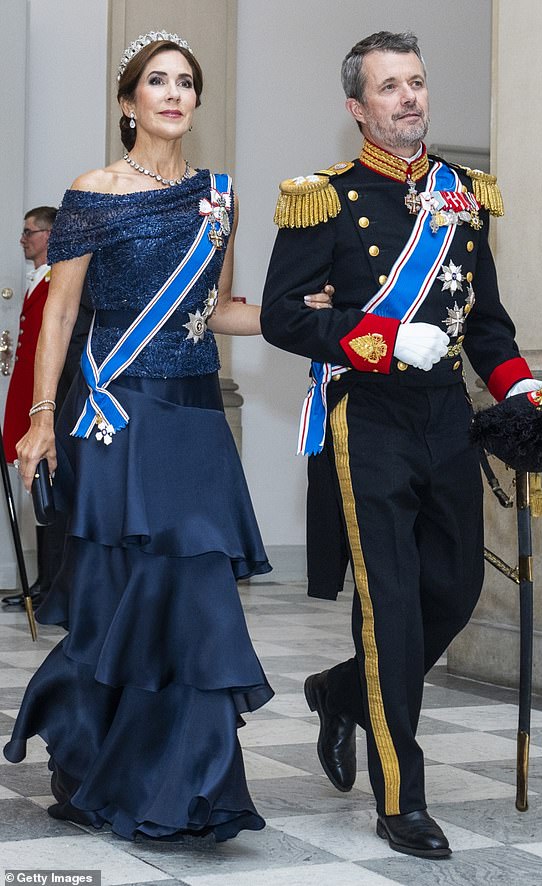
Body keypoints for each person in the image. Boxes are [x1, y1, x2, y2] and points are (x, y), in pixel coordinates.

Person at [3, 30, 331, 844]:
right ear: (128, 102)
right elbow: (64, 313)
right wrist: (44, 415)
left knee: (199, 607)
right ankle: (96, 759)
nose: (175, 94)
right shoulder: (93, 190)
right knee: (119, 605)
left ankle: (191, 789)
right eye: (158, 81)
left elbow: (214, 311)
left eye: (187, 81)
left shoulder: (220, 194)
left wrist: (298, 319)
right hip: (119, 418)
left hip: (192, 418)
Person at [261, 30, 542, 860]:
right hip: (371, 419)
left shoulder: (465, 196)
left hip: (446, 418)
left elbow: (488, 326)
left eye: (417, 83)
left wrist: (521, 387)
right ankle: (403, 799)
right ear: (358, 108)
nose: (411, 98)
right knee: (390, 607)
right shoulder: (324, 197)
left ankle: (342, 689)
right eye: (391, 87)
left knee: (455, 591)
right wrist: (380, 340)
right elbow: (286, 314)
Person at [2, 211, 93, 611]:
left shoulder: (62, 278)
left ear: (50, 235)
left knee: (52, 491)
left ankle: (57, 584)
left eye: (30, 231)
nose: (23, 238)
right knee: (37, 486)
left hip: (53, 398)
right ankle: (44, 581)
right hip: (31, 397)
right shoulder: (37, 280)